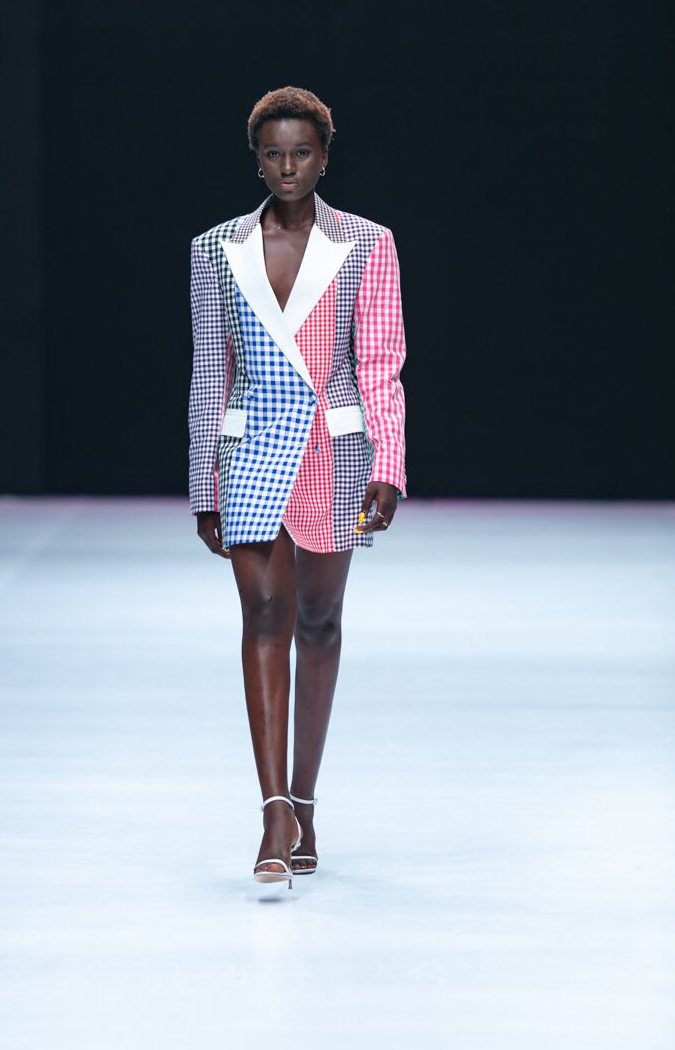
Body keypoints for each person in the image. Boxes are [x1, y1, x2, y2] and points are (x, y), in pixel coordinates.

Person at [188, 86, 407, 891]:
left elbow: (379, 363)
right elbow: (208, 371)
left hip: (334, 453)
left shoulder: (368, 244)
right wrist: (201, 484)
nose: (288, 167)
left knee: (318, 621)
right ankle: (274, 810)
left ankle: (306, 800)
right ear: (256, 159)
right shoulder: (216, 248)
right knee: (264, 615)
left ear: (325, 157)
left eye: (302, 153)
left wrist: (389, 466)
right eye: (273, 154)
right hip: (248, 451)